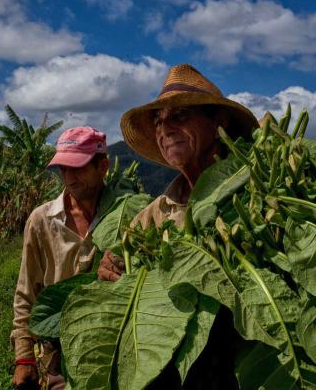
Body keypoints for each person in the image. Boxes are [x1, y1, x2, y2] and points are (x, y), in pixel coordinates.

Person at [97, 62, 258, 280]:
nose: (164, 130)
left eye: (179, 115)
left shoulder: (255, 194)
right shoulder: (155, 214)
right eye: (158, 121)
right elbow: (124, 262)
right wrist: (111, 265)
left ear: (219, 122)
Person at [11, 126, 109, 390]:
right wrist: (24, 355)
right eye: (63, 169)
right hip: (57, 351)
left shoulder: (124, 215)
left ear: (103, 167)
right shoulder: (42, 220)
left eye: (77, 168)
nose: (69, 178)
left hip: (108, 345)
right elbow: (26, 292)